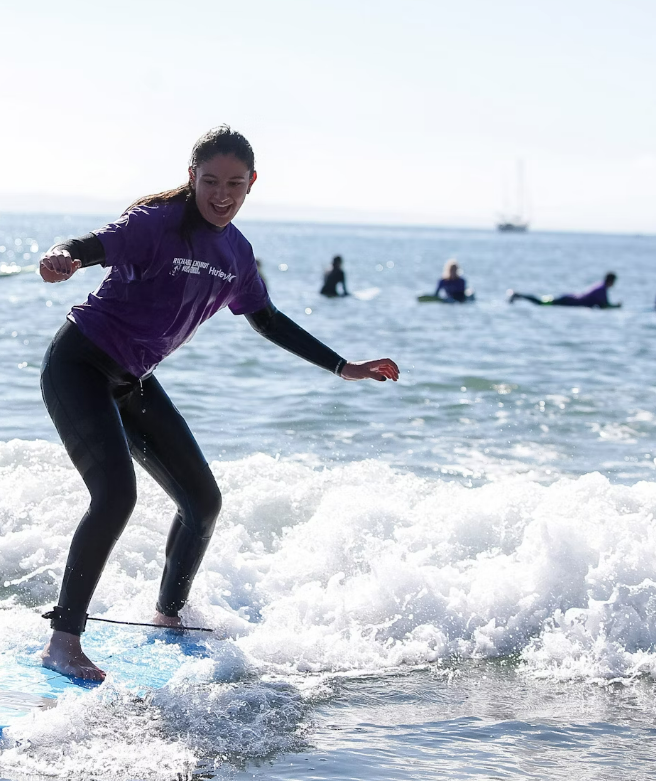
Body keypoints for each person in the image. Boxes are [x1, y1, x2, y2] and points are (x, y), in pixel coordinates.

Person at [35, 126, 400, 681]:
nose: (221, 194)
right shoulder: (155, 223)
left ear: (252, 184)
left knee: (202, 502)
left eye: (234, 183)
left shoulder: (236, 253)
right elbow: (92, 245)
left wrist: (342, 366)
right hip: (79, 365)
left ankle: (167, 616)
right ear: (192, 178)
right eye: (210, 182)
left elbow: (268, 320)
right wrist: (63, 256)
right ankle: (63, 641)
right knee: (115, 496)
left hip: (132, 378)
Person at [509, 273, 619, 308]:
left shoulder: (600, 287)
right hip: (568, 301)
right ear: (610, 281)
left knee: (541, 302)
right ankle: (518, 295)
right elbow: (605, 306)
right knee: (541, 303)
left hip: (569, 299)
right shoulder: (601, 289)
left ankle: (519, 296)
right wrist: (616, 306)